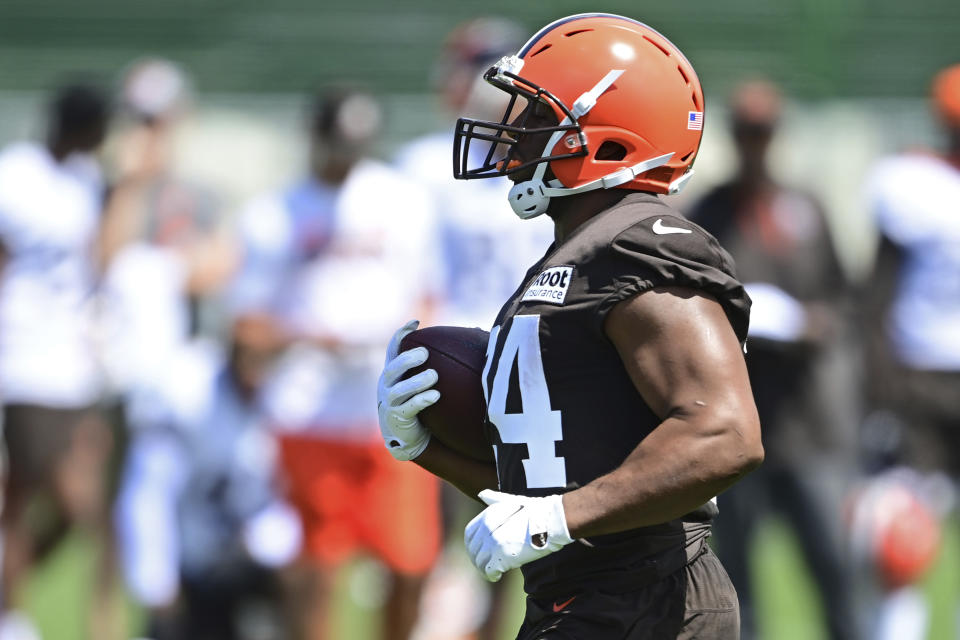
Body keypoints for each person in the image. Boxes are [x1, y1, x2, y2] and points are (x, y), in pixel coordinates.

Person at [377, 14, 763, 639]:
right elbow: (538, 497)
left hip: (651, 602)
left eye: (535, 116)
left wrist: (558, 516)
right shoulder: (574, 257)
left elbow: (724, 432)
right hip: (582, 597)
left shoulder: (639, 246)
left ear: (607, 137)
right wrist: (428, 449)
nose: (512, 134)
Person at [229, 87, 441, 640]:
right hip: (308, 411)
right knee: (315, 569)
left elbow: (427, 294)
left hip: (388, 413)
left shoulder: (401, 201)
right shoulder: (275, 213)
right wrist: (311, 337)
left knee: (410, 562)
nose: (347, 157)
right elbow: (247, 323)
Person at [393, 17, 553, 640]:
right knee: (432, 517)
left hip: (522, 355)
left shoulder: (539, 161)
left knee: (518, 512)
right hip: (448, 351)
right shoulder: (424, 165)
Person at [687, 80, 860, 640]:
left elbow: (842, 295)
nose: (755, 143)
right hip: (737, 416)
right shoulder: (709, 212)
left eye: (764, 132)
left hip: (806, 419)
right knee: (736, 577)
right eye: (746, 132)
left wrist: (812, 322)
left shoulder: (803, 207)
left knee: (833, 565)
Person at [0, 81, 116, 639]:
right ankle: (12, 613)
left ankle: (8, 601)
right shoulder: (15, 175)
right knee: (41, 495)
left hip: (73, 365)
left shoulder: (86, 181)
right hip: (22, 360)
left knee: (59, 504)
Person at [115, 316, 300, 640]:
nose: (257, 371)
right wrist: (156, 578)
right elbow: (149, 492)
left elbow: (271, 501)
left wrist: (272, 545)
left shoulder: (274, 405)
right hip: (188, 565)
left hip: (240, 566)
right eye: (249, 357)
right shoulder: (188, 396)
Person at [860, 61, 960, 640]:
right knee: (901, 548)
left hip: (922, 377)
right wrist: (881, 399)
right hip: (919, 380)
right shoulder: (914, 185)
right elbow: (877, 301)